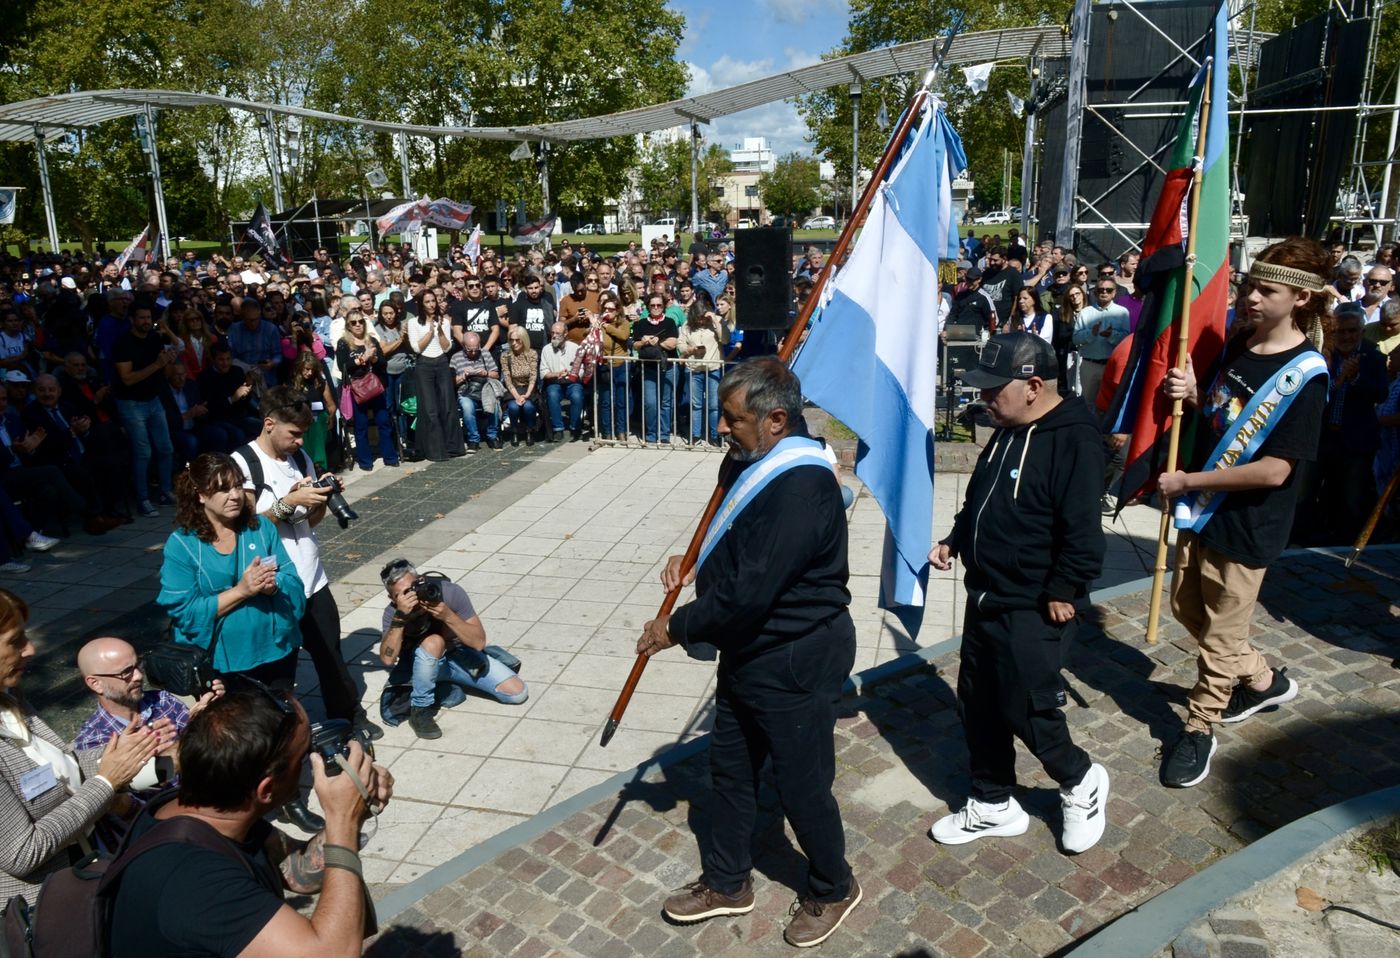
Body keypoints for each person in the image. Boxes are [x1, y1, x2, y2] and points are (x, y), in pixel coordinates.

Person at [636, 360, 861, 948]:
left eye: (734, 420)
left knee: (800, 783)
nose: (721, 429)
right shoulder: (751, 459)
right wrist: (695, 564)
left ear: (777, 420)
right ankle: (728, 880)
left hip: (795, 655)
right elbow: (734, 534)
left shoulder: (802, 486)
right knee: (730, 769)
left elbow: (753, 589)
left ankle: (833, 885)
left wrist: (675, 628)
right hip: (749, 651)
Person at [927, 332, 1110, 855]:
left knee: (1027, 705)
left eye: (993, 388)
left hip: (1036, 601)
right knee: (978, 699)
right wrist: (955, 539)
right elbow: (981, 497)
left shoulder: (1073, 439)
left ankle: (1080, 781)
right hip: (986, 593)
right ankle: (992, 801)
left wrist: (1066, 587)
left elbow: (1082, 527)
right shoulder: (1007, 427)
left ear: (1032, 386)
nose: (984, 398)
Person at [1158, 237, 1331, 788]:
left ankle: (1200, 725)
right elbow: (1220, 407)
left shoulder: (1307, 374)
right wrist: (1192, 387)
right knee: (1188, 607)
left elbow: (1276, 469)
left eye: (1266, 290)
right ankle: (1262, 679)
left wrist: (1189, 480)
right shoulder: (1241, 342)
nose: (1251, 297)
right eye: (1250, 286)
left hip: (1249, 522)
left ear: (1300, 299)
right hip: (1204, 510)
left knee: (1219, 637)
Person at [106, 686, 393, 958]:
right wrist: (342, 818)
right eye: (305, 754)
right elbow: (334, 954)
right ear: (266, 790)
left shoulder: (209, 808)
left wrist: (357, 809)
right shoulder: (193, 880)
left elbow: (300, 871)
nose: (312, 760)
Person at [232, 391, 382, 737]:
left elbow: (310, 523)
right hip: (273, 586)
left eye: (302, 435)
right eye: (293, 434)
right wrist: (289, 502)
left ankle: (347, 716)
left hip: (312, 579)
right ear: (269, 424)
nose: (299, 441)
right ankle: (283, 735)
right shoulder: (242, 464)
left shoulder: (299, 459)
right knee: (278, 671)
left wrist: (319, 498)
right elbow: (245, 530)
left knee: (330, 655)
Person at [0, 590, 163, 906]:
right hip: (39, 913)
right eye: (15, 641)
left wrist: (140, 754)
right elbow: (21, 852)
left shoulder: (10, 697)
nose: (30, 649)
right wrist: (105, 784)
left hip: (82, 881)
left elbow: (63, 767)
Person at [73, 637, 224, 843]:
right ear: (95, 683)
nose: (138, 676)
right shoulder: (95, 742)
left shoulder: (162, 700)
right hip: (163, 833)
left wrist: (209, 717)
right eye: (126, 672)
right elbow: (126, 809)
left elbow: (205, 755)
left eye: (138, 665)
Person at [377, 559, 528, 739]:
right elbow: (387, 659)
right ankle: (421, 710)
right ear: (392, 599)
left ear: (422, 580)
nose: (412, 597)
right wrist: (400, 618)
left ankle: (443, 686)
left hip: (460, 656)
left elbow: (479, 642)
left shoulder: (448, 592)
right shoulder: (393, 612)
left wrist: (447, 615)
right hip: (421, 664)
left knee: (516, 693)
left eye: (413, 588)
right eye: (403, 595)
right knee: (433, 641)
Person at [112, 301, 177, 517]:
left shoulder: (155, 339)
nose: (146, 322)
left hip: (154, 399)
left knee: (165, 447)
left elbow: (165, 369)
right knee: (143, 452)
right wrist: (157, 365)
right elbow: (127, 379)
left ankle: (165, 490)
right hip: (131, 403)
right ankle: (142, 498)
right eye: (141, 318)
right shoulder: (123, 343)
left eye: (149, 318)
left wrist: (166, 362)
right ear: (132, 320)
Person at [405, 289, 463, 461]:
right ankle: (435, 450)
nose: (431, 305)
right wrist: (430, 332)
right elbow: (417, 348)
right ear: (421, 305)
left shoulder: (444, 321)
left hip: (441, 363)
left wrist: (440, 332)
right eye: (427, 302)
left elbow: (447, 347)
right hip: (424, 365)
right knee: (430, 409)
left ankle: (453, 447)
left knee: (447, 405)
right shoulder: (414, 323)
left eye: (433, 301)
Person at [336, 312, 398, 471]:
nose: (358, 325)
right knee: (361, 425)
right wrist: (363, 357)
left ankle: (390, 457)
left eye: (360, 322)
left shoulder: (372, 341)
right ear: (348, 326)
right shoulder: (343, 343)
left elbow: (383, 364)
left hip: (374, 386)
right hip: (357, 388)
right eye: (353, 322)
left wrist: (375, 358)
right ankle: (365, 461)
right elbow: (344, 366)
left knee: (383, 422)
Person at [1072, 279, 1133, 408]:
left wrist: (1111, 335)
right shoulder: (1085, 312)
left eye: (1108, 290)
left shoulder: (1122, 313)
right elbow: (1076, 339)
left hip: (1111, 365)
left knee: (1110, 402)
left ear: (1114, 293)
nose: (1104, 292)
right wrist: (1091, 334)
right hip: (1089, 364)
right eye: (1100, 290)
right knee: (1087, 402)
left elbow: (1125, 340)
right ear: (1095, 292)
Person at [679, 290, 727, 445]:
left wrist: (714, 321)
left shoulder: (716, 321)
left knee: (714, 404)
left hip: (713, 368)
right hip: (693, 369)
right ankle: (695, 435)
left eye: (703, 318)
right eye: (698, 318)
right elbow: (680, 344)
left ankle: (715, 436)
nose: (701, 321)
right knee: (696, 404)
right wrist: (689, 350)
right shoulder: (687, 326)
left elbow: (725, 339)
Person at [633, 293, 679, 445]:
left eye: (659, 305)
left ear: (663, 306)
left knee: (666, 402)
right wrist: (644, 341)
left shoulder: (670, 322)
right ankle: (651, 433)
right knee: (650, 403)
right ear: (648, 307)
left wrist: (659, 342)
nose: (656, 308)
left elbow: (673, 344)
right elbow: (635, 344)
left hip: (668, 367)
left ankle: (664, 433)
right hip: (649, 368)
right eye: (652, 305)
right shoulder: (641, 324)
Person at [450, 331, 501, 452]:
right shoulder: (455, 357)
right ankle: (473, 439)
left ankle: (492, 436)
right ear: (463, 345)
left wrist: (486, 372)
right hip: (466, 392)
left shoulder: (485, 354)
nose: (473, 353)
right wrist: (464, 375)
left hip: (484, 390)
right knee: (467, 407)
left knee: (493, 402)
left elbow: (496, 374)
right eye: (469, 350)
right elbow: (451, 382)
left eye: (476, 349)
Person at [539, 322, 584, 441]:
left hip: (572, 382)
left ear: (565, 334)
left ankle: (575, 427)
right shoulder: (546, 349)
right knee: (552, 395)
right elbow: (544, 373)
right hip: (555, 382)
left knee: (577, 396)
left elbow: (581, 369)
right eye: (552, 332)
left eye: (558, 333)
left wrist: (571, 374)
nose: (554, 335)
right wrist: (557, 374)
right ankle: (558, 428)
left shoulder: (575, 348)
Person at [596, 291, 631, 441]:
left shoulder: (624, 323)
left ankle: (621, 430)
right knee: (605, 401)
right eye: (605, 309)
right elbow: (587, 335)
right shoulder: (599, 324)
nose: (607, 312)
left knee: (621, 401)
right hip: (605, 365)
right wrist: (595, 326)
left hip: (621, 365)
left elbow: (623, 336)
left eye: (611, 309)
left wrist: (608, 327)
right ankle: (607, 431)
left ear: (617, 311)